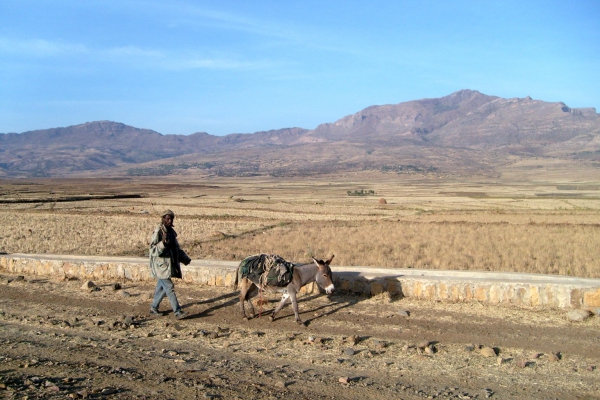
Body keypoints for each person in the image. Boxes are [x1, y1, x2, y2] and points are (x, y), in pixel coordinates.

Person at [149, 209, 191, 319]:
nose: (169, 220)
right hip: (161, 267)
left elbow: (176, 249)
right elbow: (152, 250)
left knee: (162, 288)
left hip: (168, 266)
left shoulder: (171, 233)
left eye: (171, 218)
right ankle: (177, 312)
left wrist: (185, 258)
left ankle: (154, 307)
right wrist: (162, 243)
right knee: (169, 287)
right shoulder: (158, 231)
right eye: (167, 218)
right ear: (163, 219)